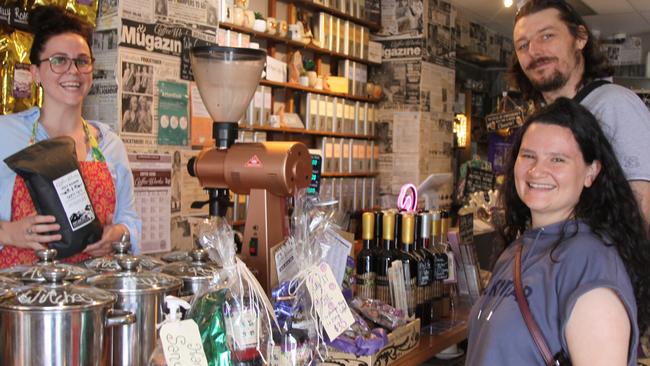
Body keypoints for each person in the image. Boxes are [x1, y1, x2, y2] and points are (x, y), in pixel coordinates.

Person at [466, 98, 650, 365]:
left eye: (558, 159)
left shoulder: (590, 264)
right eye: (528, 155)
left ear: (591, 172)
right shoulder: (518, 249)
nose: (537, 170)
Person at [0, 6, 141, 267]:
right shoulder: (5, 135)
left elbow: (129, 219)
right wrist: (10, 233)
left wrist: (119, 234)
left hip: (93, 297)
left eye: (82, 61)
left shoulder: (110, 145)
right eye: (58, 60)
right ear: (35, 73)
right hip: (19, 300)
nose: (73, 71)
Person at [510, 0, 650, 226]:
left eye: (547, 36)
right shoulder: (543, 119)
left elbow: (643, 209)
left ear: (580, 38)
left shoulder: (614, 105)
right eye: (523, 45)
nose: (534, 51)